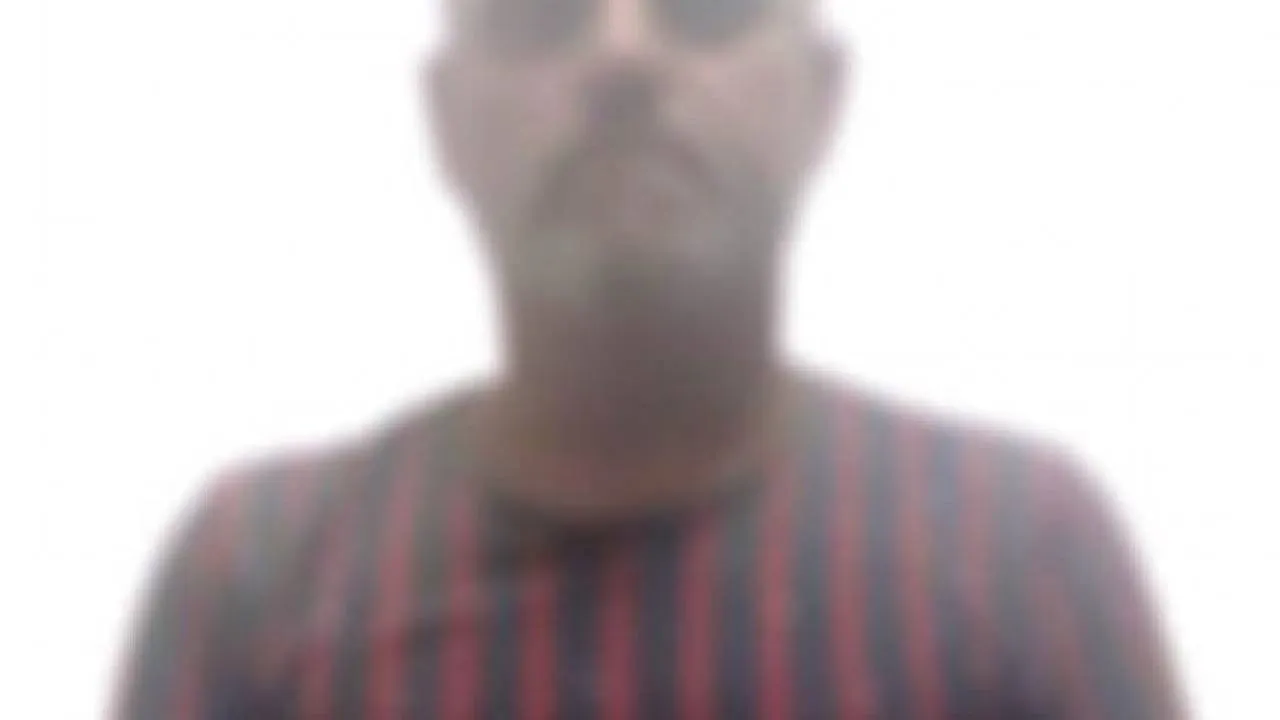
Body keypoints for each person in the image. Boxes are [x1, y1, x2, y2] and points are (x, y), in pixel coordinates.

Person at [114, 0, 1186, 717]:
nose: (622, 55)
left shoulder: (1017, 553)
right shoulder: (257, 576)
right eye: (539, 14)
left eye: (707, 8)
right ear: (445, 121)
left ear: (820, 98)